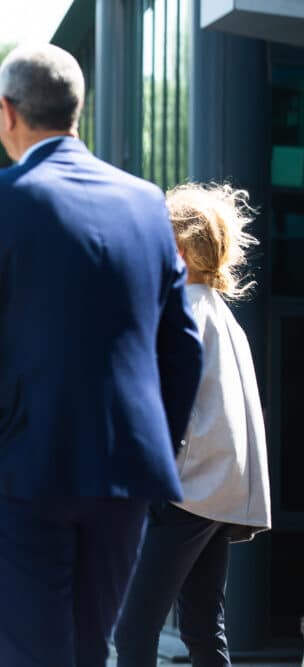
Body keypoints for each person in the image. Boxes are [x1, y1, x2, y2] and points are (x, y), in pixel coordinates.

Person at [0, 43, 204, 667]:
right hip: (122, 471)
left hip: (16, 469)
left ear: (9, 112)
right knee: (86, 650)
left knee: (33, 655)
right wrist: (154, 448)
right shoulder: (146, 203)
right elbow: (182, 349)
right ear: (77, 112)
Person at [114, 183, 272, 666]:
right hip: (217, 493)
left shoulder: (177, 312)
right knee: (204, 629)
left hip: (183, 490)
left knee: (133, 630)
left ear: (177, 251)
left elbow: (160, 404)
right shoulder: (224, 317)